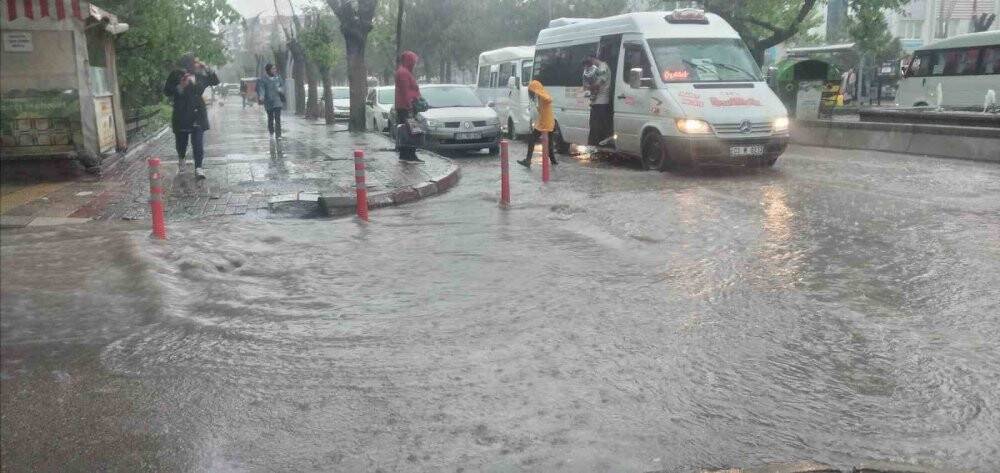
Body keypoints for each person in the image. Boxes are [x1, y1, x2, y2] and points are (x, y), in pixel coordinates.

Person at [163, 52, 219, 179]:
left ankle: (199, 167)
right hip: (182, 113)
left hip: (198, 113)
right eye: (195, 62)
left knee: (198, 142)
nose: (197, 64)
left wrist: (208, 68)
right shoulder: (176, 75)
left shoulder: (200, 75)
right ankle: (181, 159)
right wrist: (180, 87)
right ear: (188, 63)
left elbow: (215, 81)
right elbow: (167, 91)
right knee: (181, 142)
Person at [518, 80, 557, 169]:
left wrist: (539, 93)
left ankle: (528, 160)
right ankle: (554, 162)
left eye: (531, 91)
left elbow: (549, 99)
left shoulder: (543, 95)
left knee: (533, 140)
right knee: (548, 144)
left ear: (535, 90)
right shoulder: (539, 97)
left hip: (545, 123)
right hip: (544, 122)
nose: (530, 93)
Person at [394, 50, 423, 163]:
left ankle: (408, 154)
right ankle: (408, 155)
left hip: (407, 106)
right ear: (409, 61)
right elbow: (406, 91)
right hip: (406, 108)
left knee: (409, 130)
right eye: (413, 61)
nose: (415, 64)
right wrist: (410, 106)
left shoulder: (406, 72)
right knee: (411, 131)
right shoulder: (403, 73)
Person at [582, 56, 612, 147]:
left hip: (601, 101)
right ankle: (595, 145)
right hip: (596, 101)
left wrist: (588, 87)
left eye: (591, 62)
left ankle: (599, 144)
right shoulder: (596, 68)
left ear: (594, 59)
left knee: (598, 125)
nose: (591, 65)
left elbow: (598, 85)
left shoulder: (603, 67)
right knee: (594, 125)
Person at [258, 64, 285, 139]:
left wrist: (281, 89)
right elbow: (262, 89)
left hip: (277, 100)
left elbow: (282, 86)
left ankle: (278, 135)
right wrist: (262, 96)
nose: (274, 70)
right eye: (273, 69)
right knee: (270, 118)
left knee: (277, 118)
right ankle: (271, 132)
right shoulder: (263, 79)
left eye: (275, 69)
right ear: (268, 70)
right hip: (268, 101)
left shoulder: (278, 78)